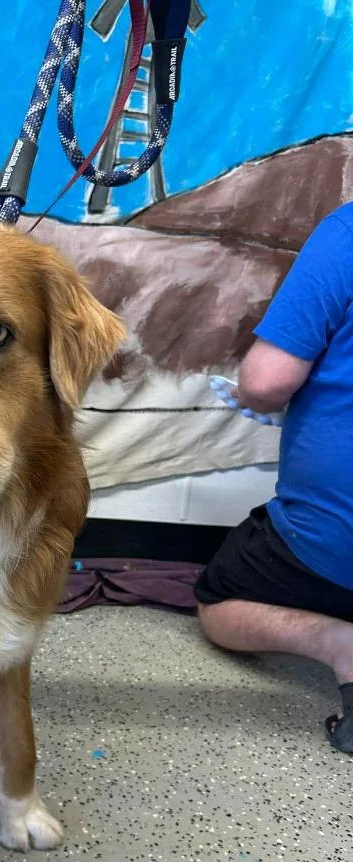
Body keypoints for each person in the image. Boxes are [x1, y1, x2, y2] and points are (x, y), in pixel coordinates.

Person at [195, 203, 353, 753]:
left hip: (331, 548)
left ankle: (343, 648)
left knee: (218, 605)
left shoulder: (347, 231)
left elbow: (265, 383)